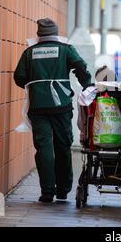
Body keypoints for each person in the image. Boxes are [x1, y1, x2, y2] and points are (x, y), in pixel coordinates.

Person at [14, 18, 91, 203]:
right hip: (61, 107)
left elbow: (19, 77)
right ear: (56, 33)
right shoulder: (66, 49)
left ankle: (47, 191)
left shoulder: (29, 52)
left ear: (39, 34)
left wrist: (36, 85)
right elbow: (81, 66)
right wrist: (87, 85)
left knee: (44, 148)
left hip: (38, 106)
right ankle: (63, 190)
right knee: (63, 146)